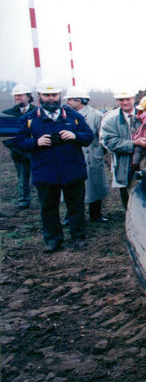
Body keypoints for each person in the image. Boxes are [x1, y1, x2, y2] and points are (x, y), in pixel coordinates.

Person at [11, 79, 93, 252]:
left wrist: (75, 136)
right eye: (46, 95)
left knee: (76, 206)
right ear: (39, 96)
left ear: (59, 96)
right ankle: (53, 239)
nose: (51, 98)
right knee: (48, 208)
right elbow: (17, 141)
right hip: (45, 172)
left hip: (72, 170)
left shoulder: (73, 117)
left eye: (54, 95)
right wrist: (35, 142)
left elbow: (88, 136)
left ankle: (78, 237)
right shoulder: (29, 119)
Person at [100, 89, 146, 210]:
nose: (125, 102)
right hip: (126, 163)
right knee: (130, 193)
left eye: (128, 99)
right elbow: (109, 142)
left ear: (133, 99)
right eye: (121, 100)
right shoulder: (111, 120)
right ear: (117, 101)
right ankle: (132, 219)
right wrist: (133, 144)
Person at [64, 86, 110, 223]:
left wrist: (99, 152)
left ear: (79, 100)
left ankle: (96, 214)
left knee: (94, 185)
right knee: (71, 187)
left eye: (70, 100)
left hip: (91, 157)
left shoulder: (96, 115)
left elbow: (103, 137)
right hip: (72, 157)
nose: (67, 103)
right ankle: (71, 215)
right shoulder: (66, 116)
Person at [2, 83, 34, 209]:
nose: (17, 98)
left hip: (37, 151)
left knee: (41, 177)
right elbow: (6, 137)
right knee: (22, 178)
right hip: (18, 153)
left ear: (28, 96)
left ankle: (45, 198)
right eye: (16, 96)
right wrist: (19, 149)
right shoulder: (8, 114)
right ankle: (24, 200)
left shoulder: (38, 112)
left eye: (20, 95)